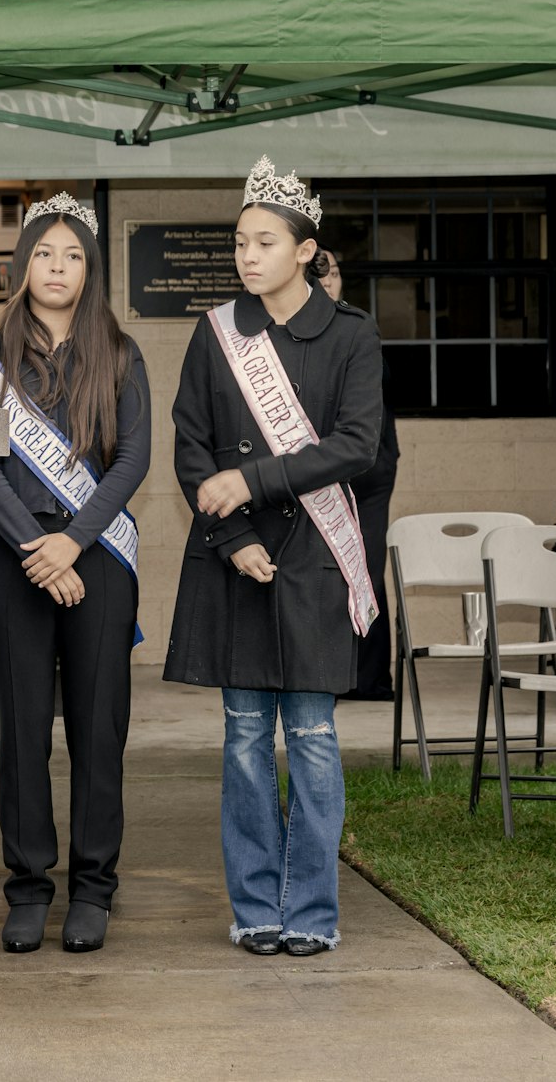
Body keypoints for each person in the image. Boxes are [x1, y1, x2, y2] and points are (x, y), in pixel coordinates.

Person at [166, 157, 384, 958]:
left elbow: (358, 446)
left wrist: (252, 480)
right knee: (246, 739)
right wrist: (235, 536)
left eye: (264, 241)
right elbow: (191, 443)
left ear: (305, 250)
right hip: (239, 561)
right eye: (239, 242)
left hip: (317, 557)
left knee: (316, 741)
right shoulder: (217, 331)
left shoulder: (352, 335)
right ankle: (257, 905)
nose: (247, 255)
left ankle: (312, 910)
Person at [0, 193, 149, 956]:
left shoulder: (123, 354)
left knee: (100, 730)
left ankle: (93, 888)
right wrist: (38, 547)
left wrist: (73, 544)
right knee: (20, 730)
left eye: (71, 255)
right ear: (22, 265)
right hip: (14, 557)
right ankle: (28, 885)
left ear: (89, 269)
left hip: (98, 558)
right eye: (43, 254)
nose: (56, 267)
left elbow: (133, 459)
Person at [313, 248, 397, 701]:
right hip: (317, 473)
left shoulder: (359, 327)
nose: (328, 280)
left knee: (367, 568)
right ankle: (331, 673)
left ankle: (369, 679)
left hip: (368, 473)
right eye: (319, 273)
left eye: (336, 272)